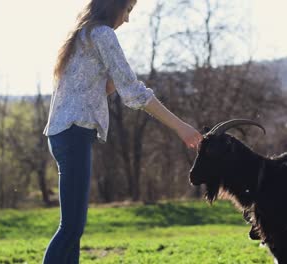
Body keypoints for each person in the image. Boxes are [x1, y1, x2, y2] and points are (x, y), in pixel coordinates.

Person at [42, 0, 203, 263]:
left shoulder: (81, 34)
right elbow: (134, 94)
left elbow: (98, 87)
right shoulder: (102, 34)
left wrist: (117, 72)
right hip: (74, 133)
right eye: (127, 10)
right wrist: (181, 127)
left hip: (62, 134)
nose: (127, 19)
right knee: (71, 227)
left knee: (72, 229)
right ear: (113, 5)